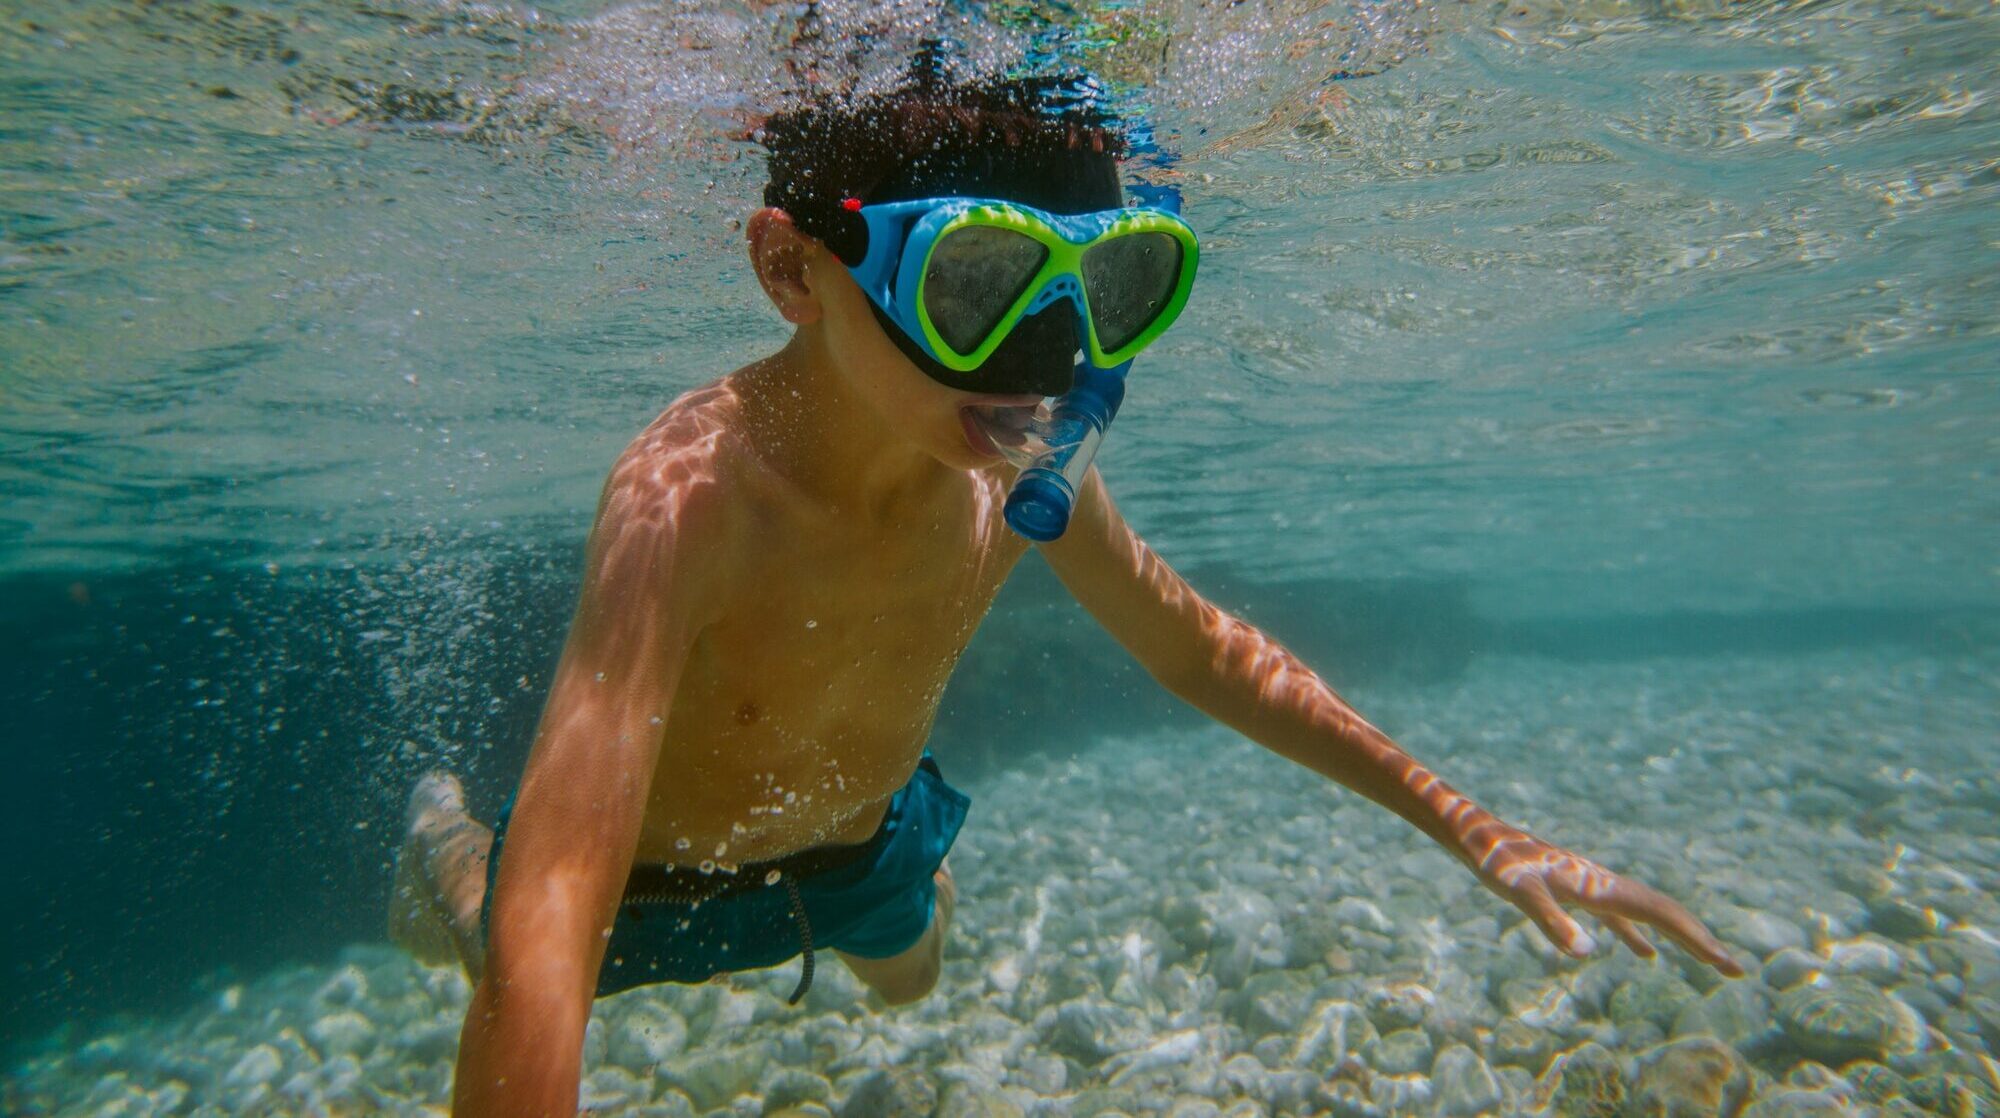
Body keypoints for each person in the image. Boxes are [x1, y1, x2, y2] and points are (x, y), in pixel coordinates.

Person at [389, 71, 1743, 1118]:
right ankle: (445, 837)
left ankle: (900, 884)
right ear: (793, 266)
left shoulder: (1011, 461)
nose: (1048, 360)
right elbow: (568, 884)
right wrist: (519, 921)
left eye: (1104, 285)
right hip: (654, 881)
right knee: (491, 931)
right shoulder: (685, 499)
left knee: (910, 981)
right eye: (976, 283)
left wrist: (1481, 831)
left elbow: (1204, 652)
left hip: (863, 839)